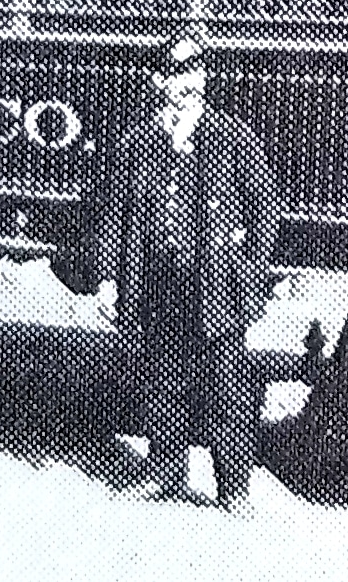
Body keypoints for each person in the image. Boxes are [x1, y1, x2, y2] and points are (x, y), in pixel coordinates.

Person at [95, 32, 283, 513]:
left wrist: (254, 280)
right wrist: (109, 280)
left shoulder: (236, 138)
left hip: (218, 285)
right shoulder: (134, 143)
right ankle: (166, 475)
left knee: (227, 388)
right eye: (174, 75)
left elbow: (265, 218)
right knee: (162, 380)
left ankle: (233, 489)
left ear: (203, 77)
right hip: (155, 281)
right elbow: (114, 216)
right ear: (158, 81)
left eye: (192, 73)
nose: (184, 85)